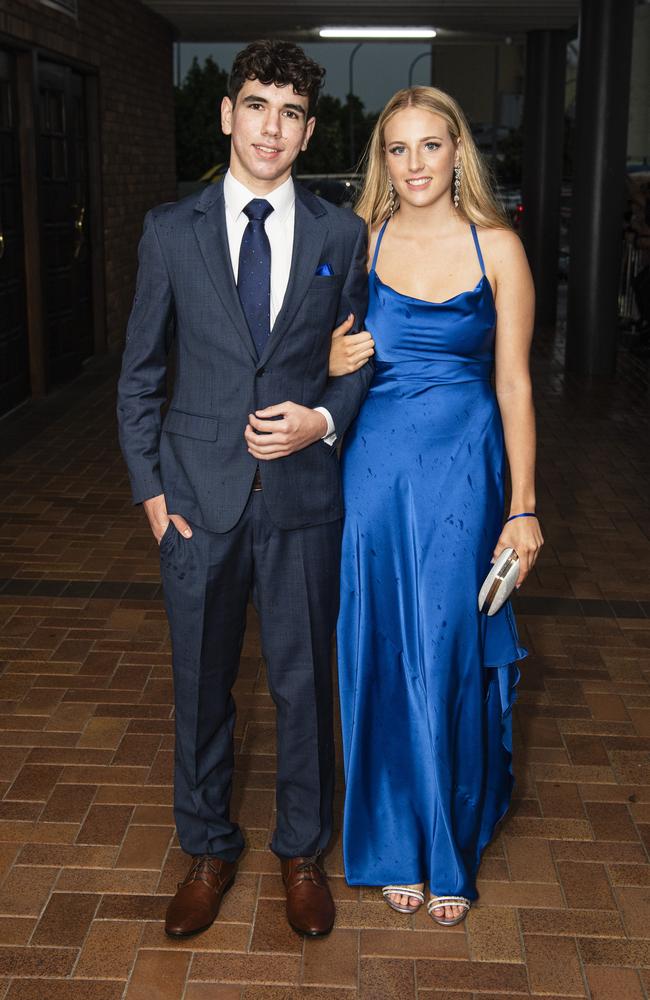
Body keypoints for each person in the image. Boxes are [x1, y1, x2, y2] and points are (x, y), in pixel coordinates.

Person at [117, 39, 373, 939]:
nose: (272, 127)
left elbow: (355, 363)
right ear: (228, 114)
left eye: (291, 113)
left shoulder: (343, 234)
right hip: (196, 499)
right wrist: (151, 492)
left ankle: (302, 852)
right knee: (202, 684)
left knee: (305, 685)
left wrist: (324, 418)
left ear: (308, 132)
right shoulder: (170, 232)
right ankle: (207, 847)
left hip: (303, 498)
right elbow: (141, 373)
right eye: (257, 105)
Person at [330, 86, 543, 926]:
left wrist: (523, 507)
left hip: (464, 467)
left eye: (429, 146)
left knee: (449, 644)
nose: (413, 164)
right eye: (396, 149)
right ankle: (391, 840)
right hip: (374, 472)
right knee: (381, 644)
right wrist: (334, 355)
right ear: (382, 160)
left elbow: (517, 382)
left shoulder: (500, 247)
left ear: (459, 151)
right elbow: (317, 357)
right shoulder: (360, 241)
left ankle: (447, 838)